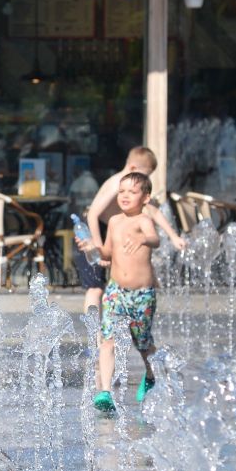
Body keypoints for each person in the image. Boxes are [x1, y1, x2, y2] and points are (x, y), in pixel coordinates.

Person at [73, 147, 186, 313]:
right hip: (90, 231)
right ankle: (95, 337)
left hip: (110, 228)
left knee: (115, 283)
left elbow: (154, 210)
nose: (146, 179)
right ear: (133, 168)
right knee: (95, 288)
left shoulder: (132, 188)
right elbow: (92, 215)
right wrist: (98, 248)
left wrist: (174, 236)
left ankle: (122, 325)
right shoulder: (117, 184)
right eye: (146, 174)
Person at [94, 172, 161, 413]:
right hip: (115, 291)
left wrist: (143, 238)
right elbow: (108, 253)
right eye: (121, 191)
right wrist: (94, 248)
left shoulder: (143, 220)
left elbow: (155, 240)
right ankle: (105, 392)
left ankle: (151, 374)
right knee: (108, 340)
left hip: (142, 295)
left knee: (142, 343)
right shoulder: (113, 221)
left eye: (132, 192)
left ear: (145, 197)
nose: (124, 196)